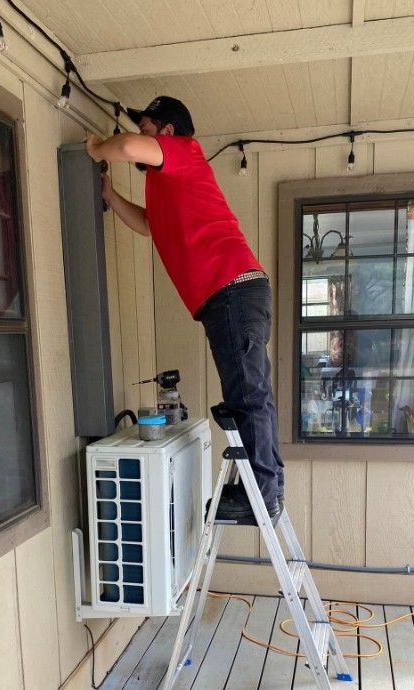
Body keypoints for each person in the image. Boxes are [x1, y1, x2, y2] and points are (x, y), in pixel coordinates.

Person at [85, 95, 283, 521]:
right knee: (247, 394)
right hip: (228, 296)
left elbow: (124, 148)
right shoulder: (166, 186)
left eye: (147, 127)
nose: (141, 134)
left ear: (167, 132)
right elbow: (147, 226)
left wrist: (97, 148)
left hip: (231, 291)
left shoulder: (184, 153)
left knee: (248, 396)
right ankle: (260, 487)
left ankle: (262, 494)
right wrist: (109, 194)